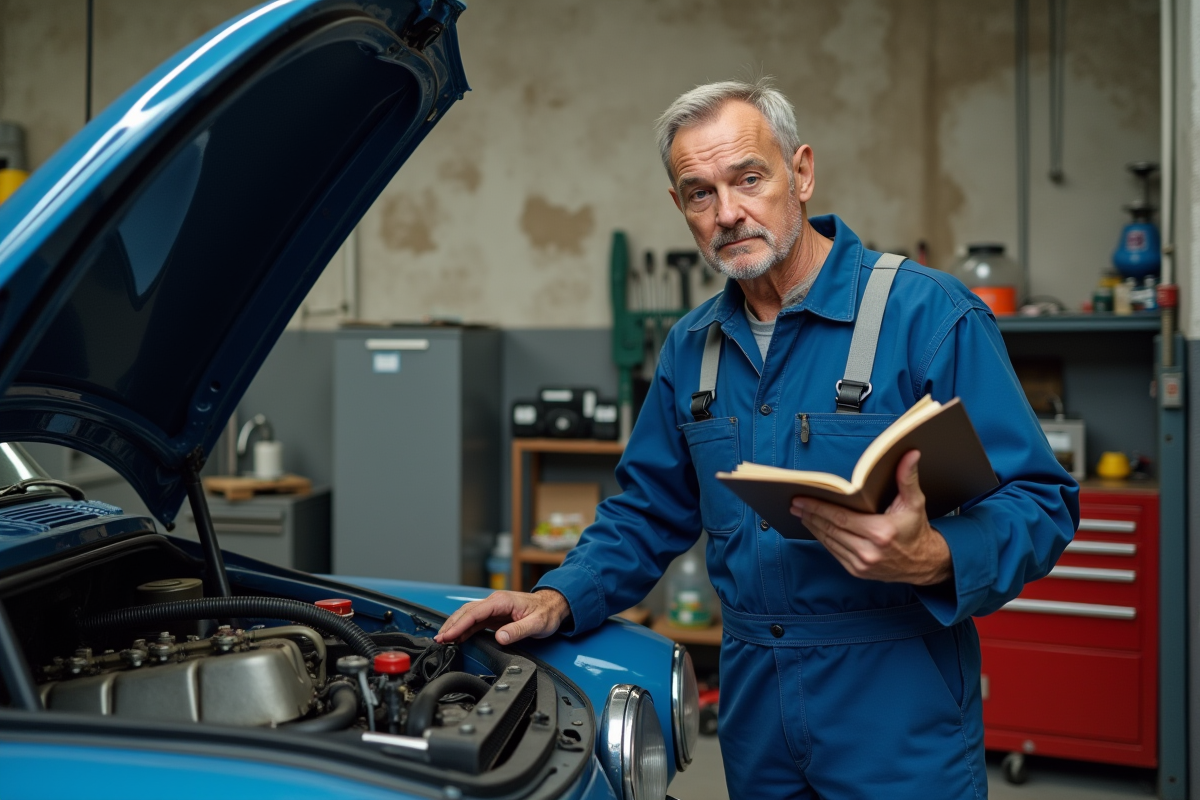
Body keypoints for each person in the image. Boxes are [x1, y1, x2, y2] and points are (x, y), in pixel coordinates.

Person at [438, 78, 1078, 799]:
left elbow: (1041, 499)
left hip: (897, 701)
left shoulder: (927, 316)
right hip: (755, 706)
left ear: (800, 172)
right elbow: (646, 511)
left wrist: (937, 556)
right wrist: (560, 596)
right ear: (679, 207)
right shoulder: (691, 350)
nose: (728, 213)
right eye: (699, 193)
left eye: (749, 178)